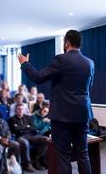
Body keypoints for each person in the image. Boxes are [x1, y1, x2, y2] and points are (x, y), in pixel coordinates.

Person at [18, 29, 94, 174]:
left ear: (66, 42)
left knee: (64, 156)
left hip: (63, 116)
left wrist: (25, 64)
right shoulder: (90, 63)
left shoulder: (61, 60)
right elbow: (89, 88)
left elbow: (38, 77)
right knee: (83, 154)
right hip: (83, 114)